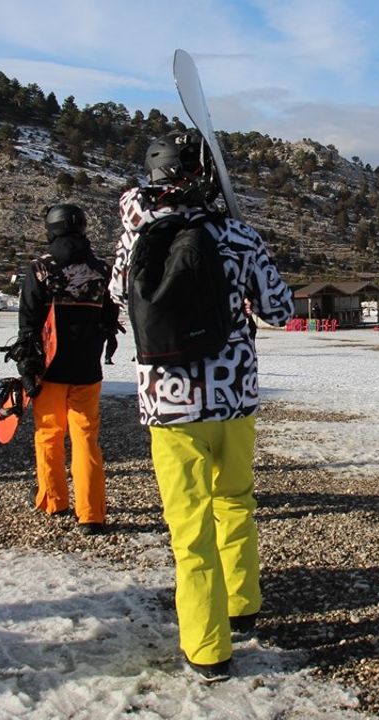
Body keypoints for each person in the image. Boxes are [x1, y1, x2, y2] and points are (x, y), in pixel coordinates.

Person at [112, 130, 295, 683]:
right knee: (235, 500)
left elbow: (121, 296)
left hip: (169, 402)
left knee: (189, 525)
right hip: (234, 394)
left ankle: (208, 646)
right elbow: (282, 310)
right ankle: (242, 602)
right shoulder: (239, 235)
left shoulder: (135, 236)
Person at [18, 203, 118, 537]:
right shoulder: (102, 270)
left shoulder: (40, 268)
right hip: (87, 368)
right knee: (86, 438)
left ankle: (54, 501)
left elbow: (29, 322)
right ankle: (91, 513)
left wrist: (26, 366)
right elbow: (109, 320)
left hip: (49, 369)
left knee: (48, 435)